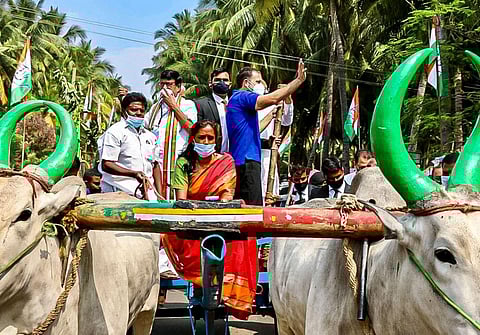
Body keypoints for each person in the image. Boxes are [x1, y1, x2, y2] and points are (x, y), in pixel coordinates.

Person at [163, 120, 257, 319]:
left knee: (244, 235)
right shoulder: (183, 163)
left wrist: (214, 212)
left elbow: (226, 197)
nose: (205, 142)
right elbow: (182, 200)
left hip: (220, 220)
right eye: (201, 138)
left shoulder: (226, 162)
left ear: (216, 140)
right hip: (191, 223)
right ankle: (201, 284)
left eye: (210, 138)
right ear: (193, 139)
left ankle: (230, 292)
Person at [226, 59, 306, 205]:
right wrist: (298, 81)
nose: (261, 85)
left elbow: (257, 127)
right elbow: (273, 98)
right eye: (257, 81)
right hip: (247, 161)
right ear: (246, 83)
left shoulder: (237, 102)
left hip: (243, 160)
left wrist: (271, 116)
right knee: (253, 209)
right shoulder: (243, 97)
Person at [144, 70, 197, 199]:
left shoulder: (187, 105)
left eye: (169, 84)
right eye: (162, 84)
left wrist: (173, 105)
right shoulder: (155, 108)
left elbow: (192, 129)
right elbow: (145, 128)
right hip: (156, 161)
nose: (165, 88)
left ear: (178, 86)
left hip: (177, 160)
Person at [98, 92, 161, 200]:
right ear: (124, 111)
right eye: (133, 110)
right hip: (118, 192)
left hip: (146, 194)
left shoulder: (149, 136)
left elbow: (155, 165)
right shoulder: (115, 132)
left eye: (142, 110)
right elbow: (107, 164)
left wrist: (159, 194)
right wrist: (133, 174)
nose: (138, 113)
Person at [256, 80, 294, 202]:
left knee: (267, 192)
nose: (259, 85)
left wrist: (287, 96)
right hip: (250, 152)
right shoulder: (242, 105)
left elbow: (287, 120)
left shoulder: (273, 106)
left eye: (260, 82)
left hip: (267, 154)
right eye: (256, 81)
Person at [195, 67, 232, 153]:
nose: (222, 82)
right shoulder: (200, 104)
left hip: (231, 158)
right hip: (211, 156)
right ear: (210, 84)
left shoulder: (236, 104)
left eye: (225, 80)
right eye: (217, 80)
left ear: (230, 84)